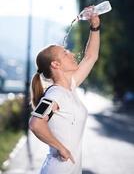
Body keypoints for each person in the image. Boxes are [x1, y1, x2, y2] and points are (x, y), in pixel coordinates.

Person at [29, 12, 100, 174]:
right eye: (66, 53)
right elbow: (35, 124)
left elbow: (90, 57)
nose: (73, 54)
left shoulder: (69, 88)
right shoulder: (55, 95)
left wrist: (95, 26)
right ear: (55, 64)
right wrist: (60, 148)